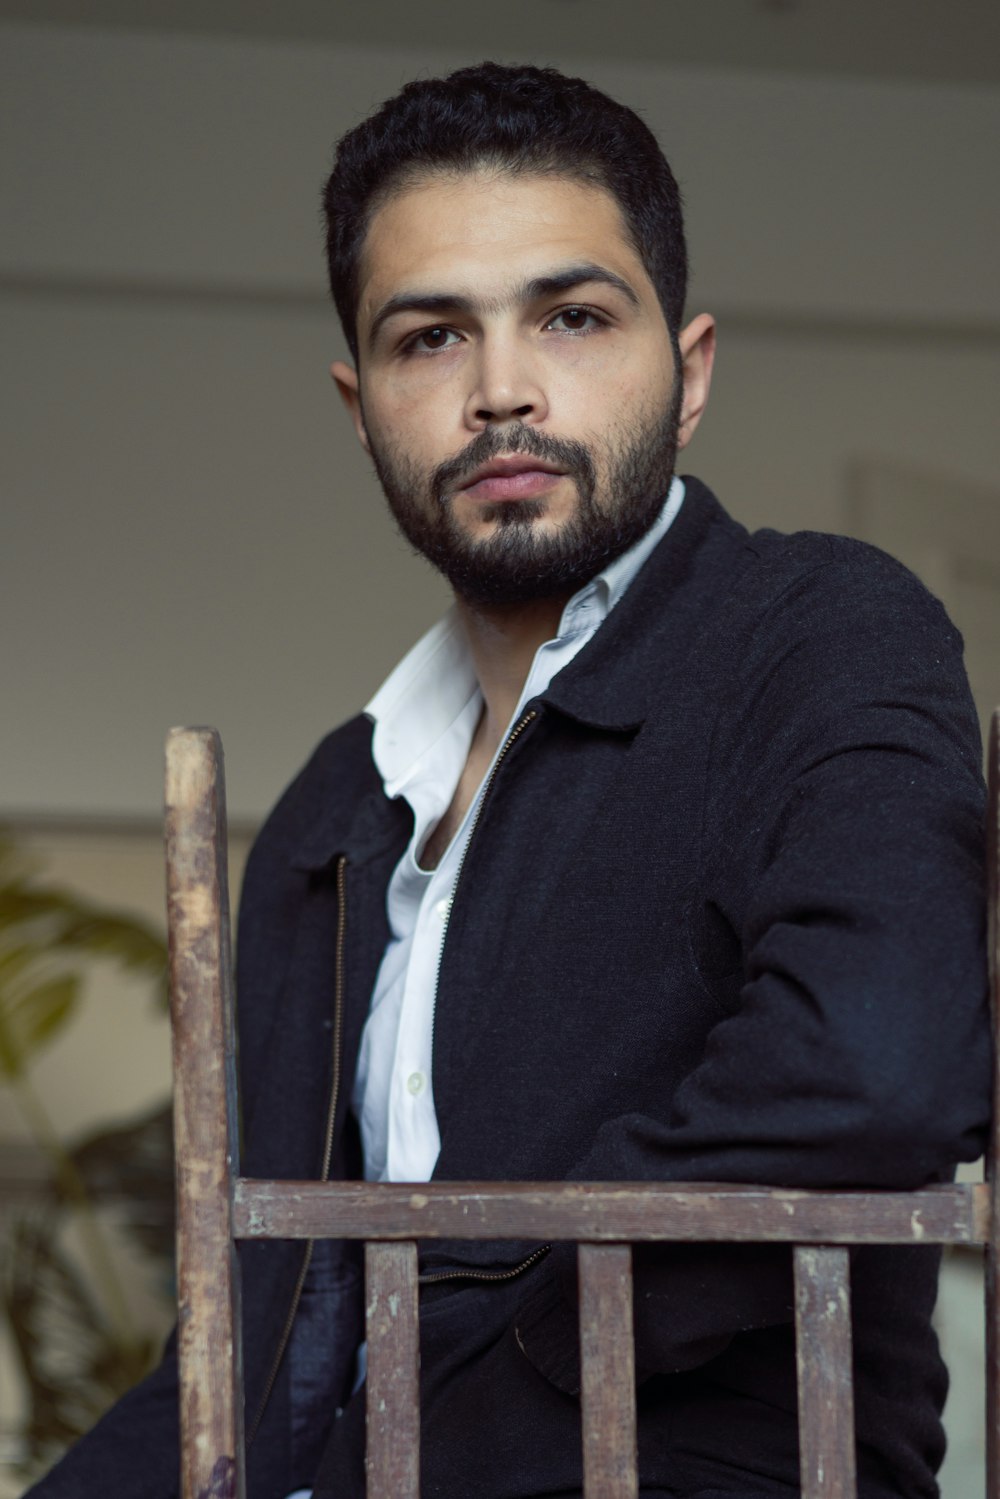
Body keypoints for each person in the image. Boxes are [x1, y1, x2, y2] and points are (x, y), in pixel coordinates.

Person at [30, 61, 991, 1499]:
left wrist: (481, 1359)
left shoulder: (815, 634)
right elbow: (266, 1344)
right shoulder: (328, 817)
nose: (501, 391)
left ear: (694, 369)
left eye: (575, 316)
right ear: (362, 408)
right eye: (430, 339)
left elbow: (875, 1072)